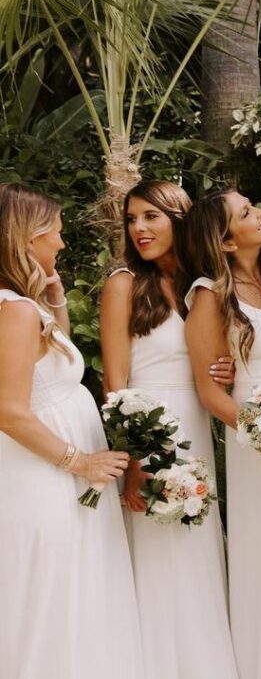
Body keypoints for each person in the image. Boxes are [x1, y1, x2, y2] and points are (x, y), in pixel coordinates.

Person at [0, 183, 144, 678]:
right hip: (47, 477)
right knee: (57, 599)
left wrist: (53, 298)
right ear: (27, 239)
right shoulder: (13, 311)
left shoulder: (22, 305)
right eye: (56, 234)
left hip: (58, 475)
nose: (61, 244)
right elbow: (9, 410)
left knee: (74, 596)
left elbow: (53, 362)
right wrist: (78, 461)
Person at [98, 180, 237, 678]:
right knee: (158, 561)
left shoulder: (208, 285)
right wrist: (132, 466)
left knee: (196, 554)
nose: (139, 229)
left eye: (150, 217)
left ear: (180, 218)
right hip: (149, 439)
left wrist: (226, 371)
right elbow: (115, 385)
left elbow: (222, 361)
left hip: (196, 434)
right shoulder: (123, 285)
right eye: (132, 220)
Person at [179, 190, 261, 679]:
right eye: (246, 212)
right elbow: (209, 392)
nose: (259, 211)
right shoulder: (210, 295)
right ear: (227, 242)